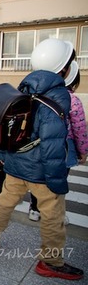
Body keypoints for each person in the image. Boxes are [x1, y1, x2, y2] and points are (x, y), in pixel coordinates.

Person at [0, 38, 84, 281]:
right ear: (64, 69)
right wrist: (57, 180)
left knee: (3, 204)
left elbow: (11, 129)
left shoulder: (25, 88)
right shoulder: (58, 98)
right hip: (41, 172)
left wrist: (4, 158)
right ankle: (51, 262)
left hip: (15, 165)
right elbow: (53, 142)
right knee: (53, 215)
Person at [29, 60, 87, 223]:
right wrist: (83, 151)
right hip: (63, 147)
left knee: (38, 177)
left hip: (38, 144)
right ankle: (56, 213)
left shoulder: (36, 96)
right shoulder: (73, 100)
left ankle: (35, 209)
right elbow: (80, 129)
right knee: (58, 179)